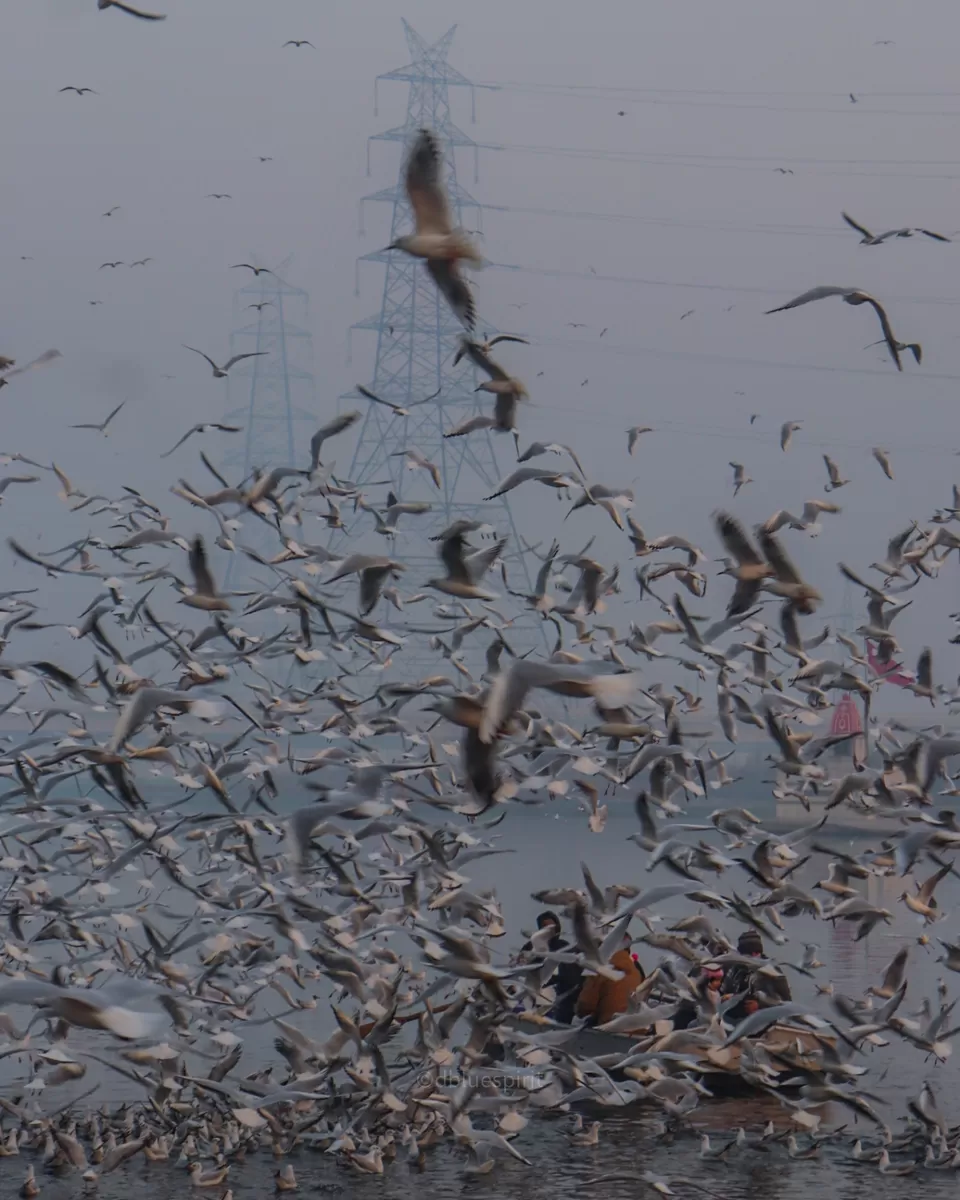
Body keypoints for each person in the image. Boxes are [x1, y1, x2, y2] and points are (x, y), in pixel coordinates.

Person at [521, 911, 584, 1024]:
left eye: (552, 926)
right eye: (545, 926)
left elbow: (573, 976)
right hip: (536, 997)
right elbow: (523, 970)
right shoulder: (531, 947)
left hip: (563, 1000)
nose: (549, 930)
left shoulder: (565, 947)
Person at [722, 930, 791, 1022]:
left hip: (762, 1021)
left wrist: (759, 1005)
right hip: (732, 1020)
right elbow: (724, 990)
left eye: (746, 955)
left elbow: (786, 1003)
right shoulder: (736, 967)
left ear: (756, 953)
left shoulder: (773, 972)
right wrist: (728, 997)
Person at [576, 934, 644, 1026]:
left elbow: (585, 1006)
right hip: (634, 1028)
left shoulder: (598, 968)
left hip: (608, 1028)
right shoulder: (637, 972)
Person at [672, 961, 725, 1030]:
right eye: (716, 980)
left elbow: (716, 1011)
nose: (719, 983)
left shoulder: (714, 994)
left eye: (720, 980)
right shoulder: (705, 991)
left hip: (703, 1021)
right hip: (693, 1016)